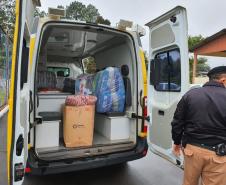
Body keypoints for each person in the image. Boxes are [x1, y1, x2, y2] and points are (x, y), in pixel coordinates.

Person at [171, 66, 226, 185]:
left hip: (192, 150)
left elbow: (177, 122)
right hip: (219, 154)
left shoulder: (191, 94)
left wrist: (176, 142)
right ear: (223, 80)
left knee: (189, 182)